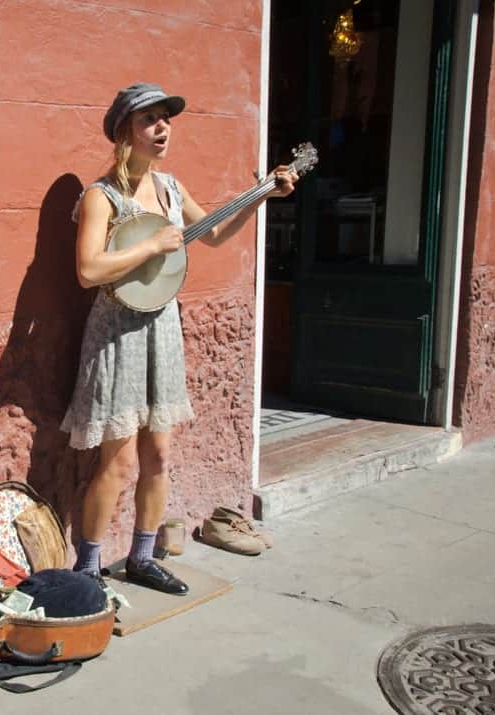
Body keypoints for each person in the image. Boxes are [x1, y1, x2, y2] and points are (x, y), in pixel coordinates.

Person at [62, 82, 298, 594]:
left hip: (162, 327)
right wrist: (150, 246)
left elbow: (210, 233)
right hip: (118, 333)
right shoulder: (101, 196)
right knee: (119, 459)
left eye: (166, 118)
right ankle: (87, 570)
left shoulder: (170, 188)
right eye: (150, 119)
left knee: (160, 456)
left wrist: (262, 197)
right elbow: (87, 270)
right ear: (125, 131)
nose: (163, 127)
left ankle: (142, 557)